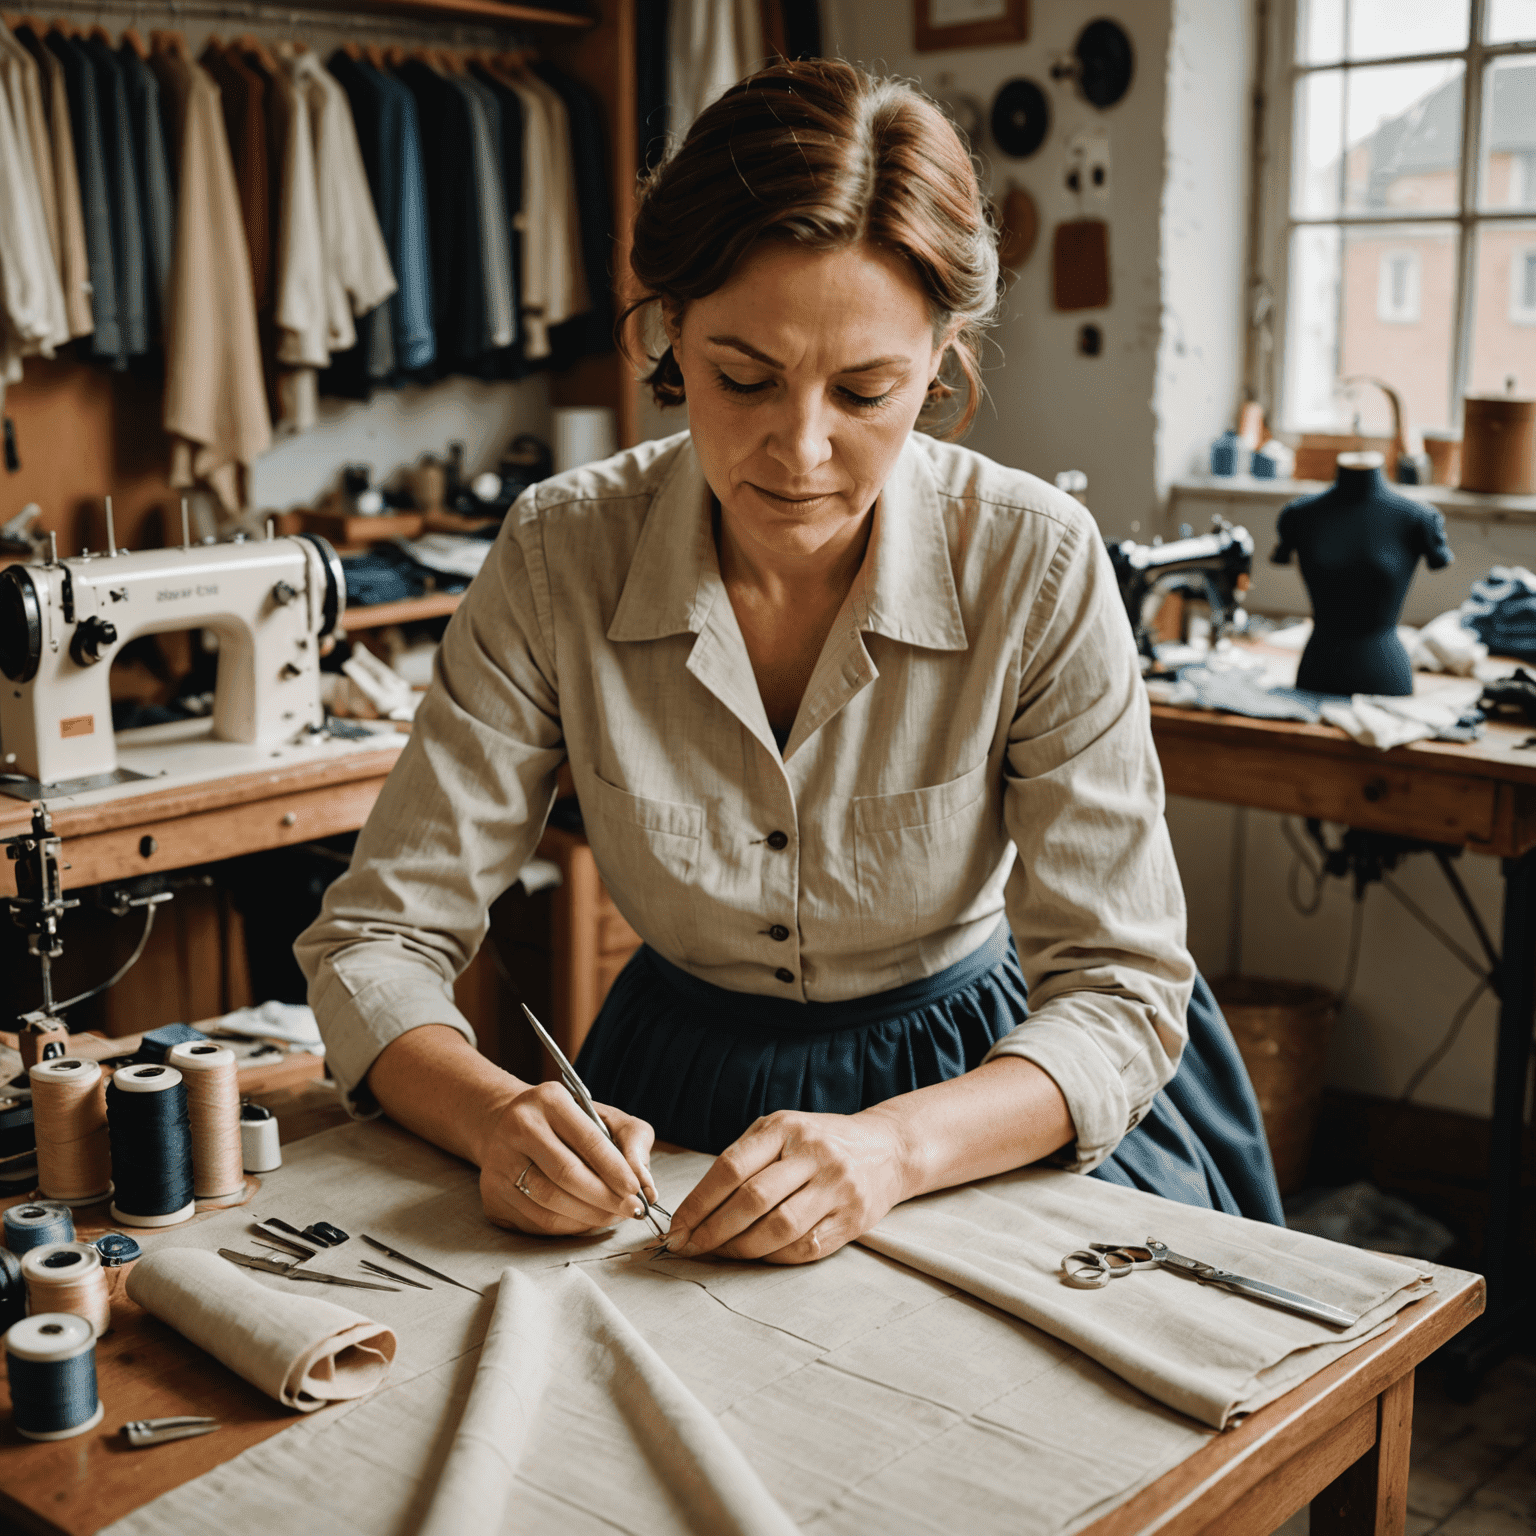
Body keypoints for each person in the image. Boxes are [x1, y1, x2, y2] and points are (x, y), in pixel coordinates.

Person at [296, 60, 1281, 1266]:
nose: (799, 451)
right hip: (675, 1089)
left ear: (940, 358)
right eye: (741, 377)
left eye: (866, 391)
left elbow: (1123, 990)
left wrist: (895, 1150)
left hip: (982, 1101)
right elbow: (375, 940)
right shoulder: (561, 554)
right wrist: (499, 1116)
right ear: (667, 329)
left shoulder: (1033, 561)